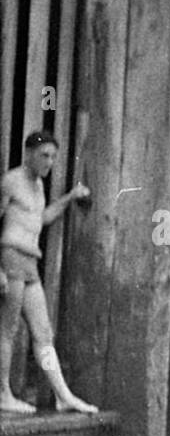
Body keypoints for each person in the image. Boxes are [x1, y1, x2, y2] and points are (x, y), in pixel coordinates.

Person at [0, 132, 96, 414]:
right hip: (11, 257)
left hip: (30, 262)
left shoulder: (38, 185)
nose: (50, 162)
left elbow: (39, 219)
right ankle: (3, 394)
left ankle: (63, 395)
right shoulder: (12, 181)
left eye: (53, 157)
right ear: (28, 153)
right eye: (44, 155)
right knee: (7, 331)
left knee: (43, 332)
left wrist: (70, 197)